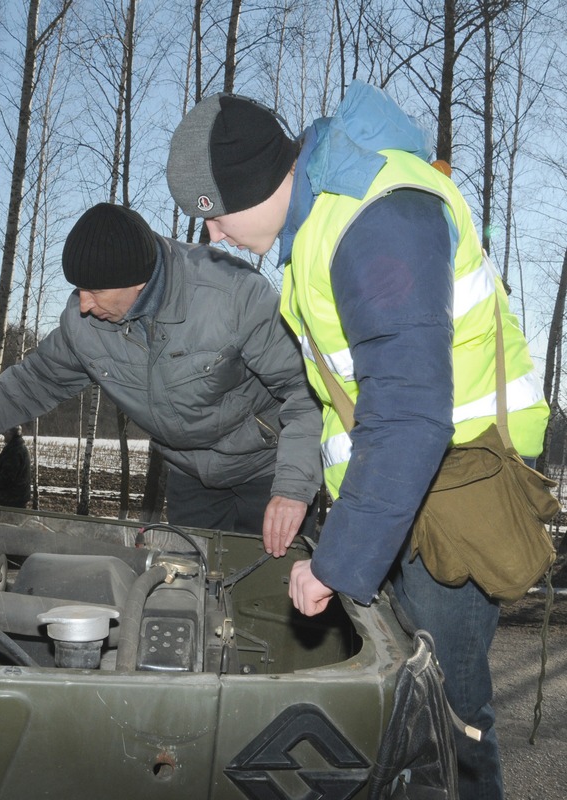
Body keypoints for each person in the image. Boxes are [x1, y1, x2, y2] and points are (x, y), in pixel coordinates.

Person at [166, 81, 549, 800]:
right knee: (406, 700)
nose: (213, 235)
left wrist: (340, 563)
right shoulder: (323, 220)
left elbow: (409, 412)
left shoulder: (373, 217)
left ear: (249, 184)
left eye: (212, 215)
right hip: (415, 488)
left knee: (450, 715)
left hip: (459, 486)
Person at [0, 202, 322, 549]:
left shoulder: (233, 297)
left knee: (271, 595)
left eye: (94, 291)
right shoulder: (85, 325)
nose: (84, 305)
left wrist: (292, 490)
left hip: (268, 467)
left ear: (138, 281)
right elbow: (32, 382)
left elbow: (305, 392)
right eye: (78, 290)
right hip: (191, 474)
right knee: (192, 591)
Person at [0, 426, 32, 508]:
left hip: (11, 499)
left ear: (11, 434)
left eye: (5, 432)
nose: (3, 434)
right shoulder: (18, 448)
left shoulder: (14, 452)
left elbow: (7, 476)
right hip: (16, 497)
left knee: (5, 520)